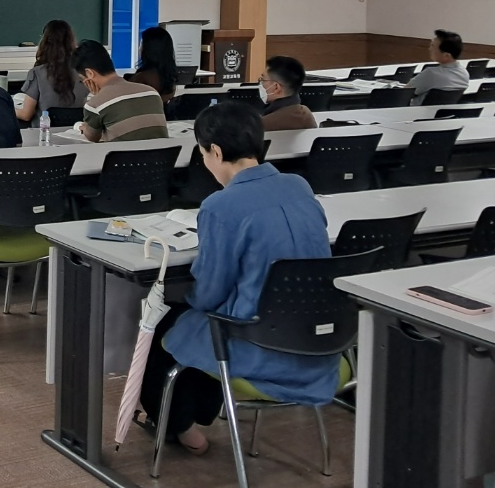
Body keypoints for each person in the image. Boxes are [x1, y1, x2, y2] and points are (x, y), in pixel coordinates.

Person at [139, 102, 333, 456]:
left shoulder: (220, 206)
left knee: (169, 325)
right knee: (198, 321)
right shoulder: (299, 186)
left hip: (259, 342)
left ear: (214, 151)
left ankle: (181, 427)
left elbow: (211, 293)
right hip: (318, 338)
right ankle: (200, 416)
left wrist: (185, 296)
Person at [73, 40, 168, 141]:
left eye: (81, 79)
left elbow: (93, 138)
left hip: (127, 156)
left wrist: (82, 127)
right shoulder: (151, 92)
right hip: (162, 156)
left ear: (89, 74)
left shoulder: (95, 104)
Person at [15, 19, 88, 125]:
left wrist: (8, 109)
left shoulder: (38, 73)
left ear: (45, 42)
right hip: (75, 133)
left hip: (43, 135)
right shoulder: (83, 72)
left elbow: (26, 115)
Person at [408, 29, 469, 104]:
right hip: (444, 114)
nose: (430, 49)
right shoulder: (464, 73)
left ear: (446, 55)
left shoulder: (431, 74)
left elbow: (405, 92)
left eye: (433, 46)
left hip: (418, 113)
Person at [258, 54, 317, 131]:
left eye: (263, 80)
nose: (260, 84)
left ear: (276, 87)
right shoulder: (305, 114)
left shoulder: (262, 125)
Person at [126, 26, 180, 105]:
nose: (139, 48)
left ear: (148, 49)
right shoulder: (170, 78)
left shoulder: (141, 78)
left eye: (141, 44)